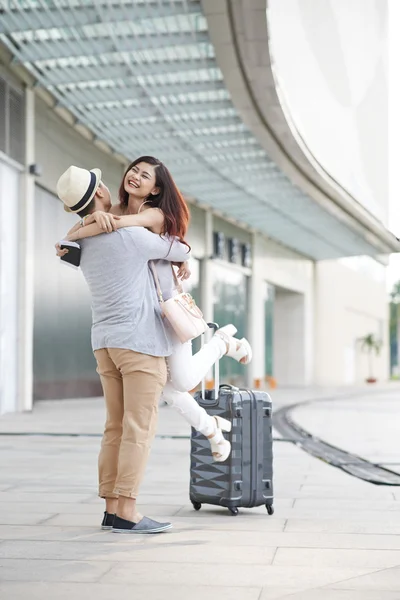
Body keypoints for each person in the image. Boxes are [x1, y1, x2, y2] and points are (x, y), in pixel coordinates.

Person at [60, 157, 252, 468]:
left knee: (184, 380)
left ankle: (222, 343)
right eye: (133, 170)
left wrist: (102, 223)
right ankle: (213, 431)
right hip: (142, 322)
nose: (134, 176)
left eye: (143, 175)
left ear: (155, 187)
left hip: (166, 312)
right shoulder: (112, 214)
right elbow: (67, 242)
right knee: (168, 389)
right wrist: (87, 223)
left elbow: (137, 234)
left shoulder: (154, 214)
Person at [56, 164, 191, 534]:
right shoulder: (130, 237)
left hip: (105, 343)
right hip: (140, 343)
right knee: (138, 428)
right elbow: (178, 248)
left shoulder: (82, 241)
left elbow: (72, 239)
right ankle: (128, 509)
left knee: (115, 427)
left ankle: (112, 508)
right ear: (100, 191)